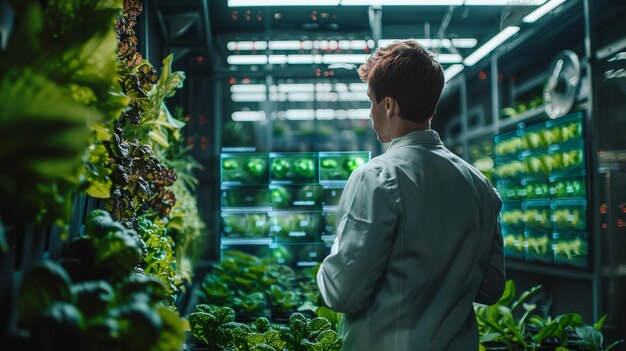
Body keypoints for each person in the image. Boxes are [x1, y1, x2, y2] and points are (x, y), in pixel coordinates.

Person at [316, 40, 505, 351]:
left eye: (371, 101)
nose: (371, 112)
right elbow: (491, 289)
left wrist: (337, 247)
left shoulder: (376, 177)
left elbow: (342, 294)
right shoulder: (479, 185)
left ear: (389, 106)